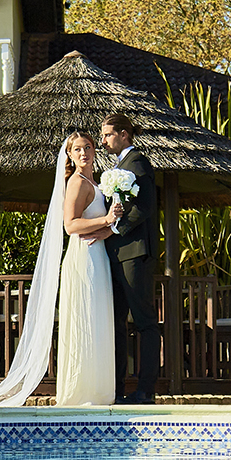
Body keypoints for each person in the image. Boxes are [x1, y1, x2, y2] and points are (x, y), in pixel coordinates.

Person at [99, 113, 161, 404]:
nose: (103, 141)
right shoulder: (119, 166)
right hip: (116, 255)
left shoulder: (137, 162)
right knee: (117, 324)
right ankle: (117, 388)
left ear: (124, 134)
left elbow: (145, 206)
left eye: (107, 135)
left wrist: (116, 228)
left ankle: (146, 390)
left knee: (144, 322)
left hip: (135, 254)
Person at [56, 131, 117, 406]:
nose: (84, 153)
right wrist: (106, 220)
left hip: (98, 254)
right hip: (84, 257)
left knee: (98, 317)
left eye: (88, 147)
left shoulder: (96, 181)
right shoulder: (77, 183)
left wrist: (109, 228)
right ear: (70, 155)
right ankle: (81, 390)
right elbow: (71, 225)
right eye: (78, 149)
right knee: (86, 315)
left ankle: (99, 389)